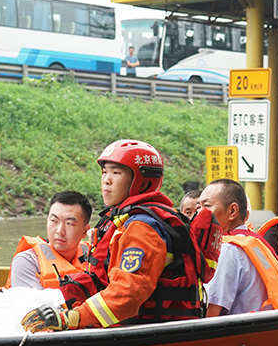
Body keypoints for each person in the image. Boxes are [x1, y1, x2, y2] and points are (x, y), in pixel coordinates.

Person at [22, 139, 204, 331]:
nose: (106, 179)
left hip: (146, 332)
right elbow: (100, 280)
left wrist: (72, 317)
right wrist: (58, 299)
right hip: (129, 325)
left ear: (141, 181)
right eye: (105, 172)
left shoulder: (142, 227)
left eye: (116, 173)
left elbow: (128, 293)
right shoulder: (123, 219)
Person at [199, 179, 278, 316]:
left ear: (232, 211)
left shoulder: (227, 250)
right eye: (198, 207)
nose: (199, 214)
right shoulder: (256, 243)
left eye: (206, 206)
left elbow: (210, 313)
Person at [5, 191, 92, 289]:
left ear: (85, 231)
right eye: (54, 221)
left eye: (69, 223)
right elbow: (33, 303)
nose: (60, 231)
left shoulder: (95, 258)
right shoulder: (26, 261)